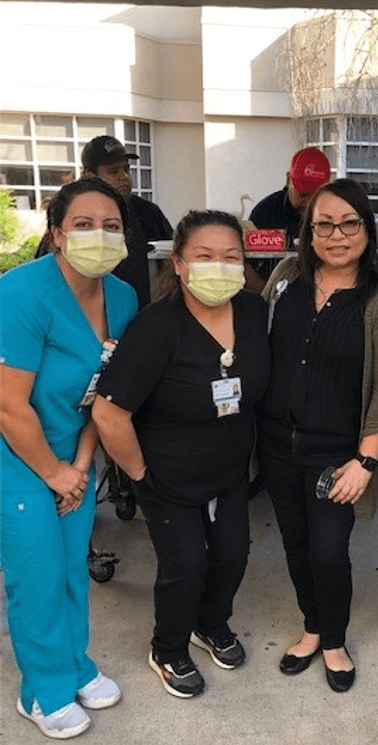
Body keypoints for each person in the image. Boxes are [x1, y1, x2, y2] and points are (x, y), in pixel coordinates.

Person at [92, 210, 270, 699]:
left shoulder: (254, 312)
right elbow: (110, 414)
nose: (219, 267)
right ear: (179, 263)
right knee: (185, 567)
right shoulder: (157, 327)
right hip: (167, 477)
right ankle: (168, 648)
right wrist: (140, 473)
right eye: (204, 256)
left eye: (231, 257)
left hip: (231, 471)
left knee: (233, 557)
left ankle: (210, 624)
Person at [0, 178, 138, 739]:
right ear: (57, 233)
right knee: (37, 573)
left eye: (111, 225)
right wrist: (54, 472)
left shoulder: (123, 297)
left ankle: (75, 666)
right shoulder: (21, 292)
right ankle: (42, 690)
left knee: (71, 568)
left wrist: (79, 467)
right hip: (16, 453)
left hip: (74, 454)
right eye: (83, 224)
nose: (99, 236)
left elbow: (105, 397)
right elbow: (9, 406)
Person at [258, 178, 378, 693]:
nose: (336, 234)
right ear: (309, 229)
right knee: (296, 547)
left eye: (350, 223)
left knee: (327, 550)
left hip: (337, 455)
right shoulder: (285, 277)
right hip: (277, 443)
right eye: (324, 223)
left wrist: (365, 461)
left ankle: (335, 639)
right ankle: (313, 626)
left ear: (367, 230)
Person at [82, 134, 173, 308]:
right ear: (90, 175)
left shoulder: (148, 212)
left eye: (126, 169)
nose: (123, 177)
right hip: (93, 317)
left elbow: (172, 258)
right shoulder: (71, 215)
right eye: (113, 171)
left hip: (147, 317)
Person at [246, 147, 331, 290]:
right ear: (288, 180)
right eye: (303, 195)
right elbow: (246, 266)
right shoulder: (266, 212)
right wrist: (267, 297)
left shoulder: (333, 213)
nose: (309, 202)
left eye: (316, 195)